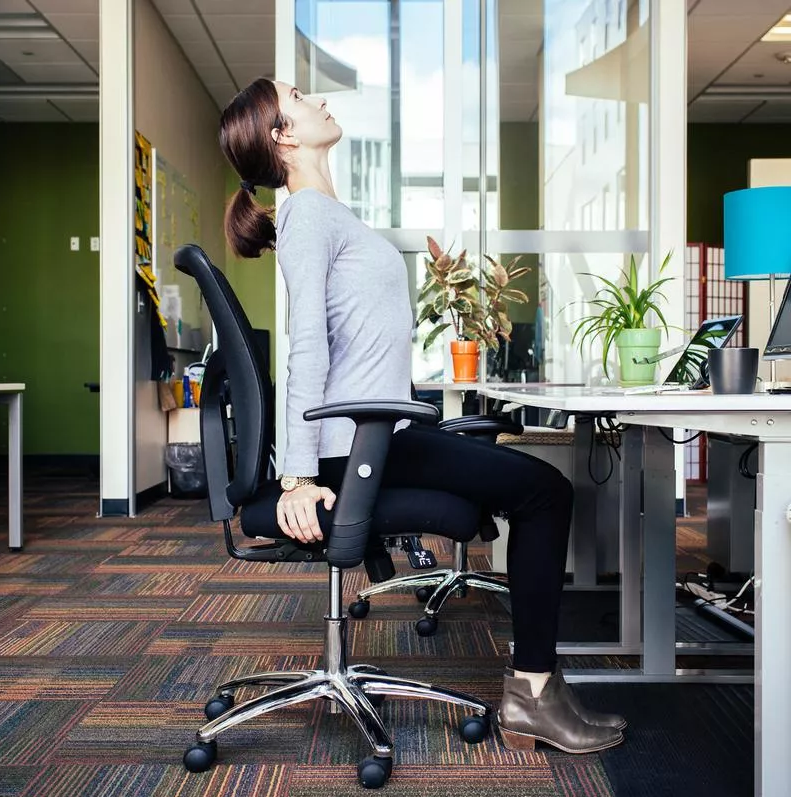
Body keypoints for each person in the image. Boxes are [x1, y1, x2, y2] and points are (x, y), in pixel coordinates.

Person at [218, 77, 626, 755]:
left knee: (517, 493)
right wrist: (295, 476)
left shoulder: (325, 212)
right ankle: (532, 692)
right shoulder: (309, 216)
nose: (317, 97)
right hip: (362, 445)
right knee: (545, 492)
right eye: (297, 95)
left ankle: (537, 688)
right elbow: (306, 351)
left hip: (384, 433)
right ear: (281, 135)